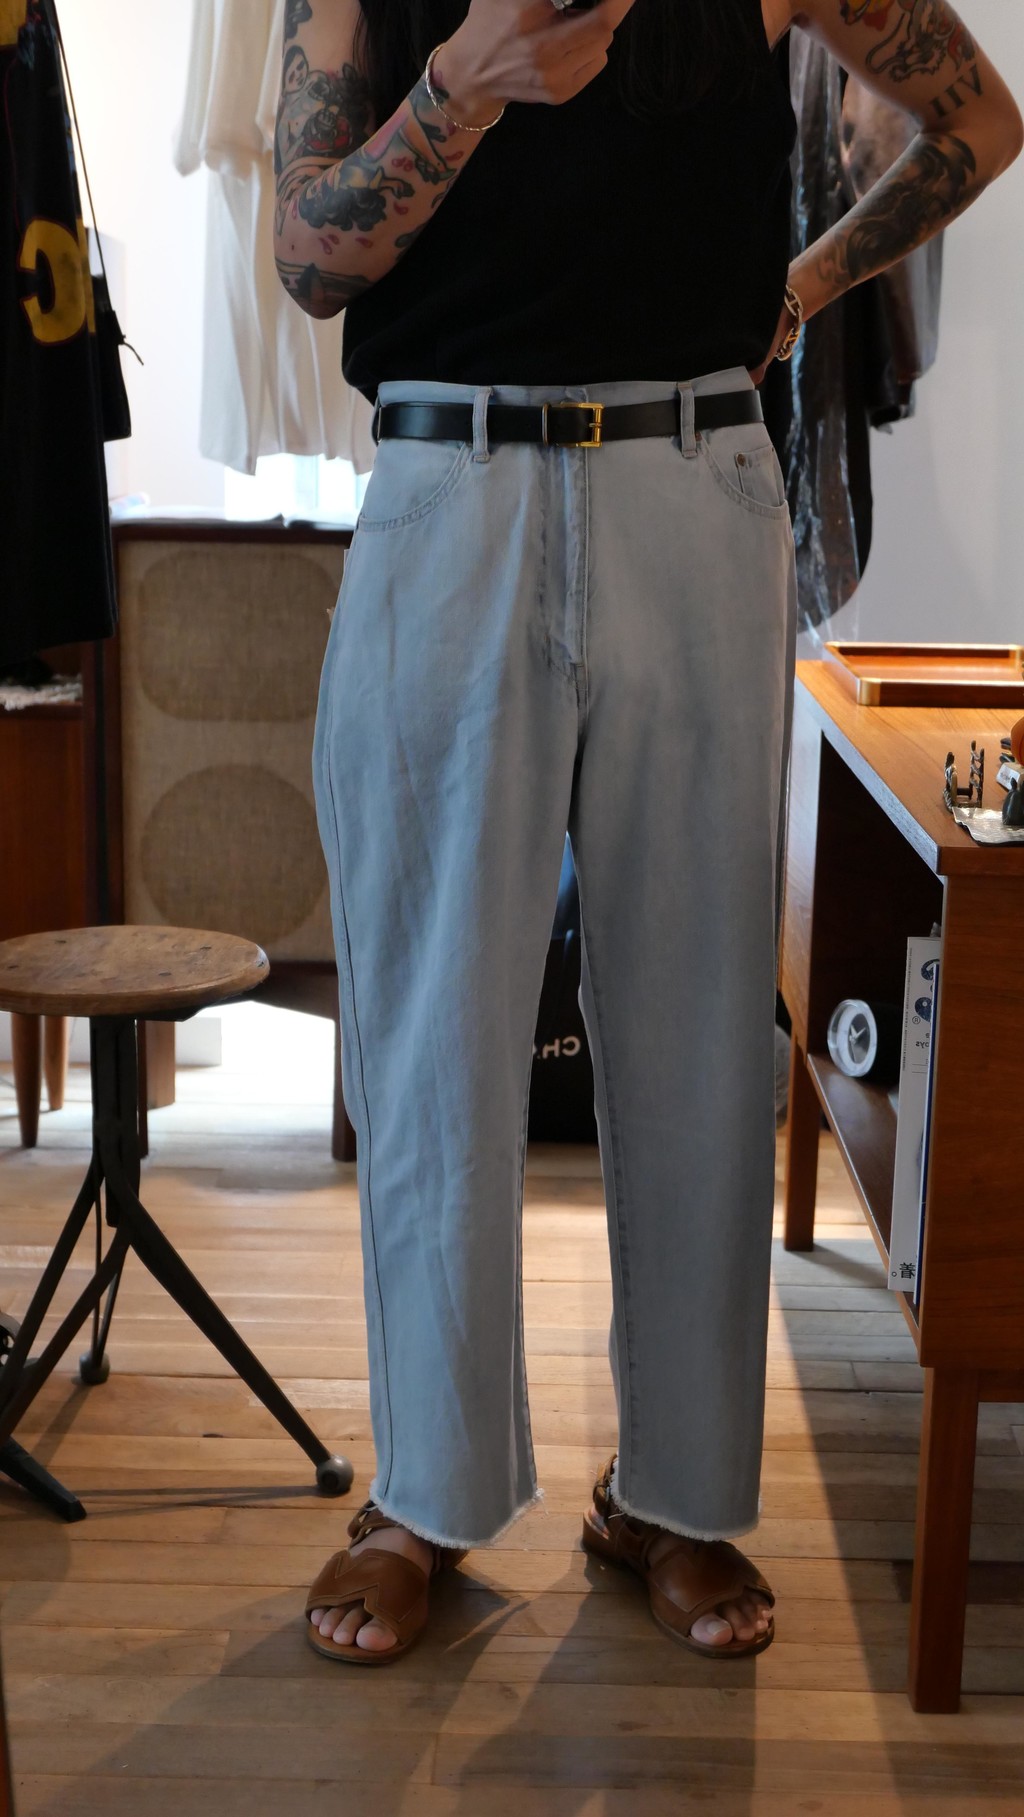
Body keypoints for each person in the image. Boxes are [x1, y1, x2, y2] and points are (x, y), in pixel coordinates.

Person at [275, 0, 1022, 1664]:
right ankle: (424, 1492)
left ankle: (675, 1495)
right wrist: (464, 84)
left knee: (698, 1029)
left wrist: (800, 289)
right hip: (449, 478)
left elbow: (978, 117)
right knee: (432, 1027)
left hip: (694, 481)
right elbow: (309, 259)